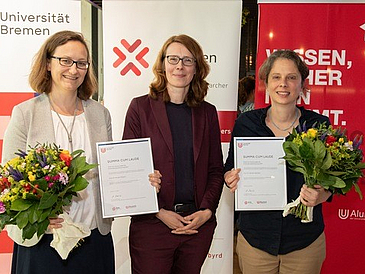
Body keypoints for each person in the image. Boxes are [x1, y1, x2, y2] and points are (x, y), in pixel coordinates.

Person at [1, 30, 161, 274]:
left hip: (93, 239)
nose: (73, 70)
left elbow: (110, 173)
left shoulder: (99, 114)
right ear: (47, 63)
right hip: (43, 241)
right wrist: (40, 217)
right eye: (65, 60)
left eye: (81, 63)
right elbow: (9, 183)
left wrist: (141, 182)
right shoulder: (25, 113)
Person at [122, 34, 224, 274]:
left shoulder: (207, 113)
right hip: (152, 225)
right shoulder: (140, 108)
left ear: (197, 68)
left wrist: (207, 211)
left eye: (188, 60)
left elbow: (215, 170)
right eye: (174, 59)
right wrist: (158, 211)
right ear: (162, 64)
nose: (180, 66)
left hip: (195, 226)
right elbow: (129, 169)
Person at [224, 50, 332, 274]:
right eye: (276, 76)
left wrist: (324, 194)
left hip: (304, 242)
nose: (284, 84)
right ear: (266, 82)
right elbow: (229, 167)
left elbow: (331, 178)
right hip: (256, 241)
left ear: (302, 85)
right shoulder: (246, 123)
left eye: (292, 77)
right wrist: (229, 179)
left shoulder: (318, 125)